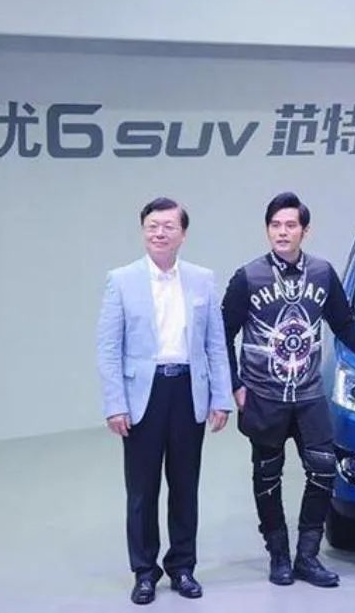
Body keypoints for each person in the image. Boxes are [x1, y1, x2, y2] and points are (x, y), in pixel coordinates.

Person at [222, 192, 355, 588]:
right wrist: (235, 386)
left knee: (324, 470)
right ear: (267, 229)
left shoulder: (322, 273)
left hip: (309, 395)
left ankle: (307, 556)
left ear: (304, 231)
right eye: (275, 225)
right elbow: (222, 334)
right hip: (264, 396)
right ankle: (278, 555)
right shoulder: (248, 277)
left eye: (290, 225)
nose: (282, 232)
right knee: (267, 476)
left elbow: (344, 324)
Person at [96, 197, 233, 605]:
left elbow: (215, 344)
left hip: (189, 390)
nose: (159, 233)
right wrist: (115, 403)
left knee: (185, 485)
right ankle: (144, 571)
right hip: (144, 393)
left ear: (183, 234)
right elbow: (108, 347)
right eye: (152, 226)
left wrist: (221, 397)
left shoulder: (202, 279)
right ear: (143, 231)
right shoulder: (121, 280)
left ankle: (183, 567)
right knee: (142, 489)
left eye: (168, 226)